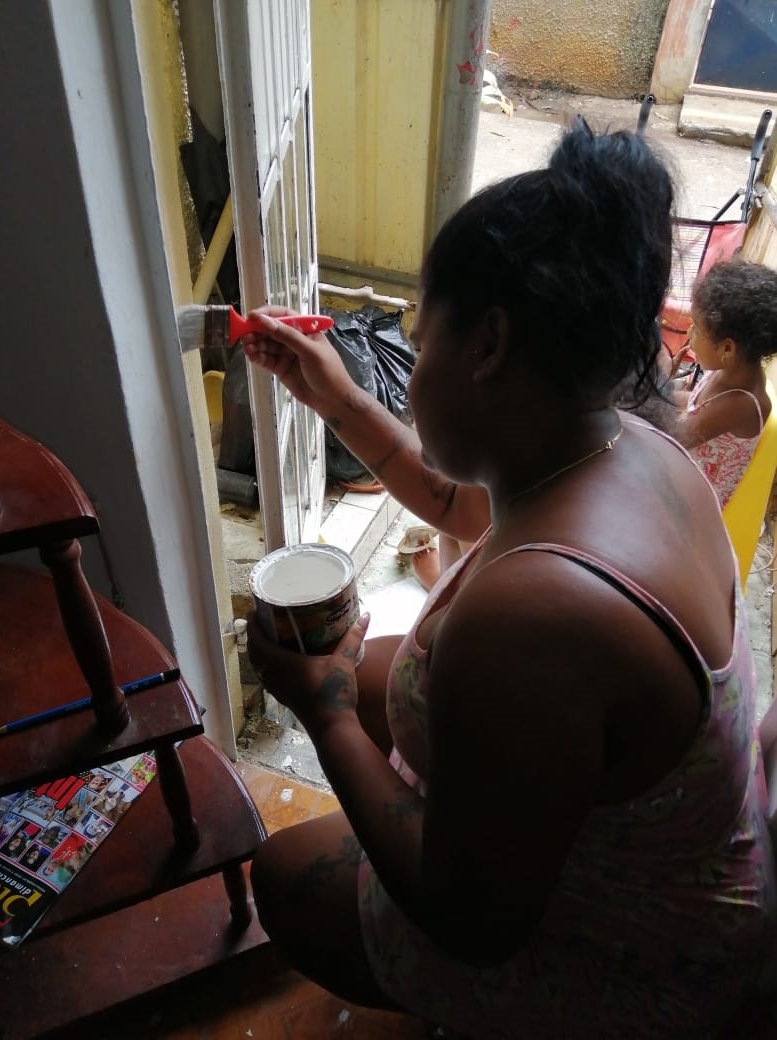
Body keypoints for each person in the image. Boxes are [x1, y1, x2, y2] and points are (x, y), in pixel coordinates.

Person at [241, 118, 775, 1039]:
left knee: (287, 877)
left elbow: (474, 921)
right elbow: (455, 502)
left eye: (420, 338)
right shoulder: (626, 443)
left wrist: (323, 715)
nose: (409, 369)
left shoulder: (533, 615)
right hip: (697, 857)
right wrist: (337, 395)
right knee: (382, 673)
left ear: (489, 345)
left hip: (652, 959)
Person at [664, 259, 777, 508]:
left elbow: (672, 437)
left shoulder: (743, 403)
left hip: (694, 507)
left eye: (696, 329)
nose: (689, 334)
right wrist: (665, 390)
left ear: (727, 348)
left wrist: (660, 380)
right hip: (684, 474)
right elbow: (697, 404)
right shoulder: (731, 371)